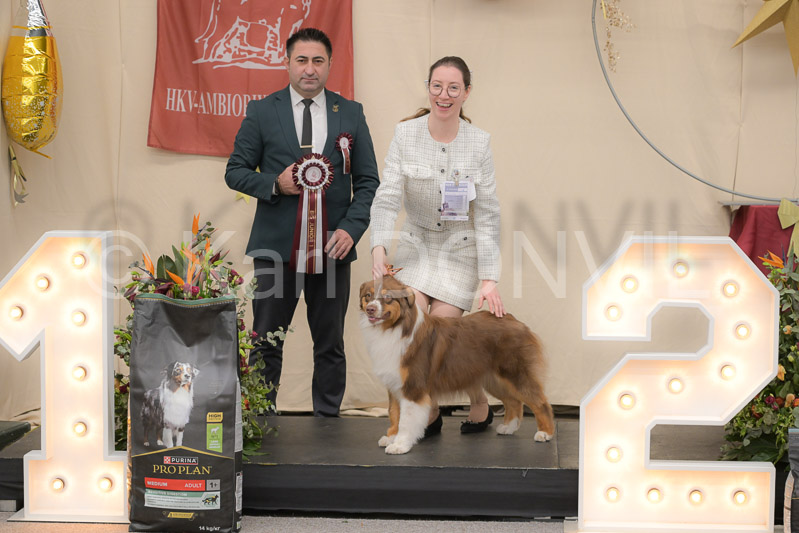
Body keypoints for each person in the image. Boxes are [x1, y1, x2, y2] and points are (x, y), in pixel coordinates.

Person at [225, 28, 379, 417]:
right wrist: (274, 184)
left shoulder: (351, 113)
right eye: (302, 60)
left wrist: (351, 229)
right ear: (287, 63)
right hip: (275, 249)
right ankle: (259, 420)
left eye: (318, 61)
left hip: (333, 248)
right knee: (265, 341)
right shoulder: (262, 111)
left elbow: (368, 181)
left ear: (329, 64)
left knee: (330, 343)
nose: (310, 69)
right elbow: (235, 171)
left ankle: (328, 423)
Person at [370, 56, 504, 435]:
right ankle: (425, 412)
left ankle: (479, 401)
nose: (444, 95)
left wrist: (489, 279)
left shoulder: (479, 142)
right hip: (416, 247)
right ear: (428, 88)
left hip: (458, 250)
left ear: (466, 92)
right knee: (409, 328)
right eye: (437, 86)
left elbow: (488, 213)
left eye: (453, 88)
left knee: (444, 336)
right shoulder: (405, 134)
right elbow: (387, 197)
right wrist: (379, 250)